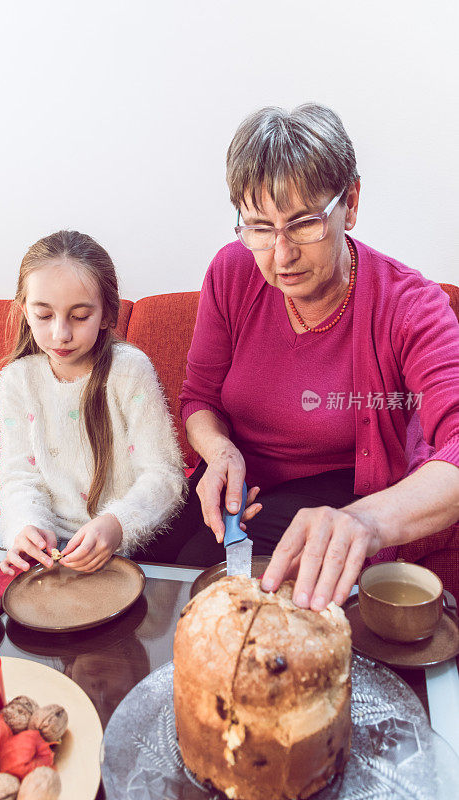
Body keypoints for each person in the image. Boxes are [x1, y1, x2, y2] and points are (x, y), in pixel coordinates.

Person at [166, 103, 459, 609]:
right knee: (142, 573)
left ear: (351, 202)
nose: (281, 256)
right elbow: (198, 399)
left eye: (303, 224)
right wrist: (219, 451)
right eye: (259, 227)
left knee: (212, 592)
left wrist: (364, 520)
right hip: (235, 483)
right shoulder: (232, 272)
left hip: (331, 496)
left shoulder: (410, 304)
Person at [0, 230, 185, 575]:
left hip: (112, 539)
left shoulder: (129, 371)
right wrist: (26, 527)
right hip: (42, 534)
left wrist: (117, 524)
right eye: (44, 316)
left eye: (79, 316)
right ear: (24, 311)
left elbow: (163, 474)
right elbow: (18, 477)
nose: (61, 334)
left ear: (106, 314)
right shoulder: (16, 379)